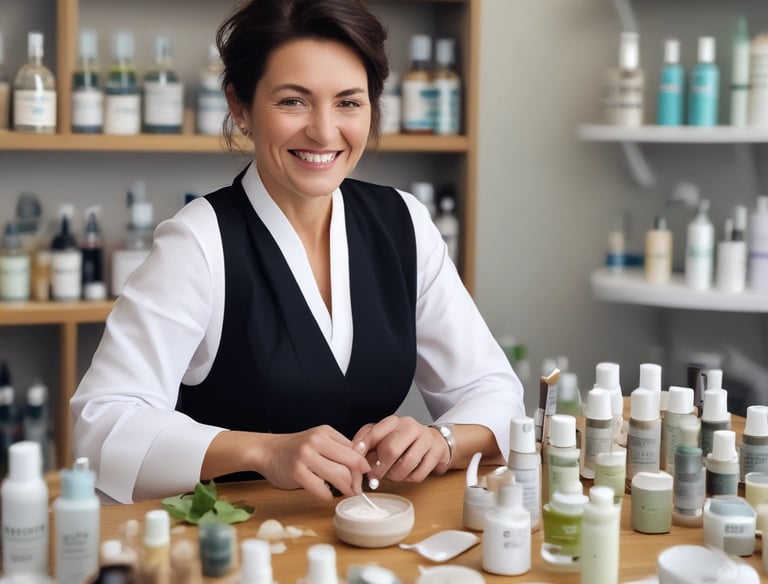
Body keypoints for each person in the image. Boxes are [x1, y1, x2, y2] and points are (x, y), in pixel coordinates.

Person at [70, 0, 525, 504]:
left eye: (349, 103)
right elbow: (101, 423)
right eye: (293, 101)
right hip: (232, 547)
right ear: (240, 108)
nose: (325, 132)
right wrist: (263, 451)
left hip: (370, 536)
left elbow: (495, 392)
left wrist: (441, 440)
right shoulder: (199, 241)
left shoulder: (403, 223)